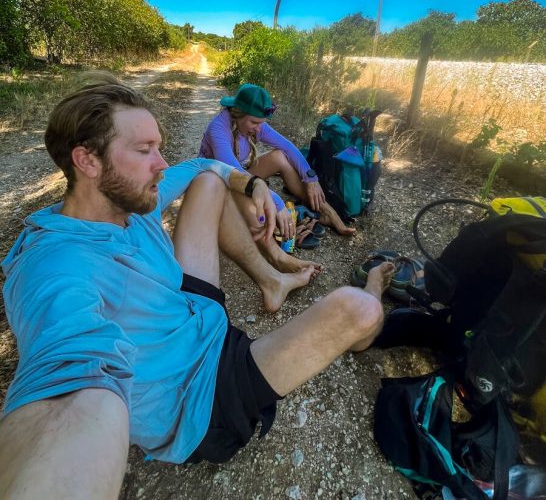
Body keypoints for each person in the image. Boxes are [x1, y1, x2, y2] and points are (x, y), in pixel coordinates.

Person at [0, 78, 393, 500]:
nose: (161, 164)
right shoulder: (57, 265)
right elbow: (65, 384)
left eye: (158, 147)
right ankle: (370, 301)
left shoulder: (124, 200)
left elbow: (201, 167)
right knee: (360, 309)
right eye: (143, 150)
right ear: (87, 161)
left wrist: (253, 183)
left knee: (209, 185)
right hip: (201, 395)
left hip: (192, 314)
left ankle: (273, 278)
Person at [199, 84, 356, 253]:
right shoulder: (218, 128)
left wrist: (311, 178)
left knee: (279, 157)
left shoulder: (253, 123)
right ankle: (278, 229)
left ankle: (327, 213)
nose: (259, 128)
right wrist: (277, 203)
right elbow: (234, 172)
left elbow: (287, 147)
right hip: (217, 185)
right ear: (238, 113)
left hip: (239, 178)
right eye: (254, 122)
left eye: (262, 123)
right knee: (261, 197)